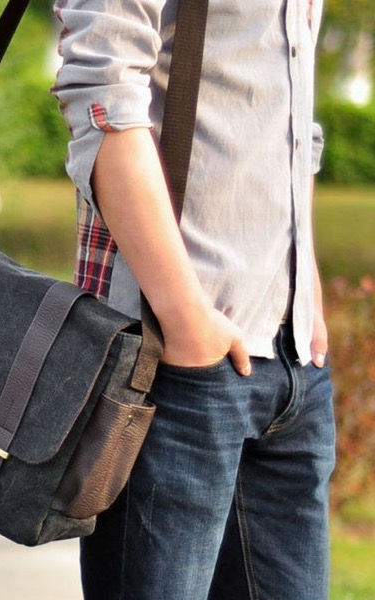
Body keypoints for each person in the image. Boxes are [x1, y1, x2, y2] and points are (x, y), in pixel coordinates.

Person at [52, 1, 336, 598]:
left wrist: (304, 283)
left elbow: (289, 110)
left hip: (294, 366)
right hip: (175, 363)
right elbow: (104, 96)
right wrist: (184, 321)